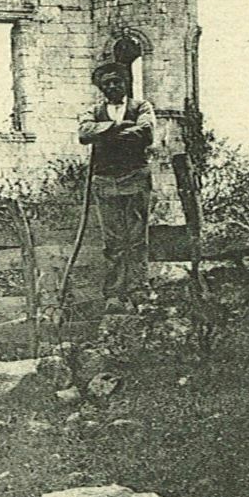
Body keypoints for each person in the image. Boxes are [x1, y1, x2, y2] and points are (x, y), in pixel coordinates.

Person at [77, 60, 156, 312]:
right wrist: (119, 127)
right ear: (101, 87)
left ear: (126, 83)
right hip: (105, 181)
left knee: (136, 237)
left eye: (117, 81)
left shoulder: (141, 106)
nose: (112, 86)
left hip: (135, 177)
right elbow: (84, 133)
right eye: (107, 83)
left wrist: (106, 134)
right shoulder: (93, 110)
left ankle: (138, 290)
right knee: (112, 240)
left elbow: (146, 132)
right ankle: (114, 294)